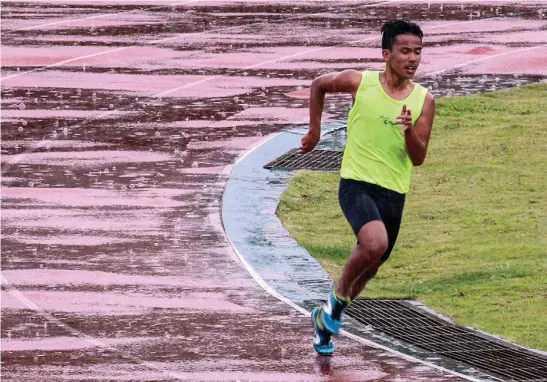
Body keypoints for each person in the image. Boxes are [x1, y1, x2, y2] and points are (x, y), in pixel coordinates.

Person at [300, 20, 436, 356]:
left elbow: (418, 158)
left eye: (418, 52)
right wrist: (315, 132)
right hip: (356, 183)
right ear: (386, 54)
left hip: (394, 192)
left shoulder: (423, 100)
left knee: (371, 266)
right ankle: (332, 310)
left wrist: (407, 131)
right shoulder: (359, 82)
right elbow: (318, 85)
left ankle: (327, 318)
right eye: (405, 51)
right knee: (374, 244)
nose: (413, 58)